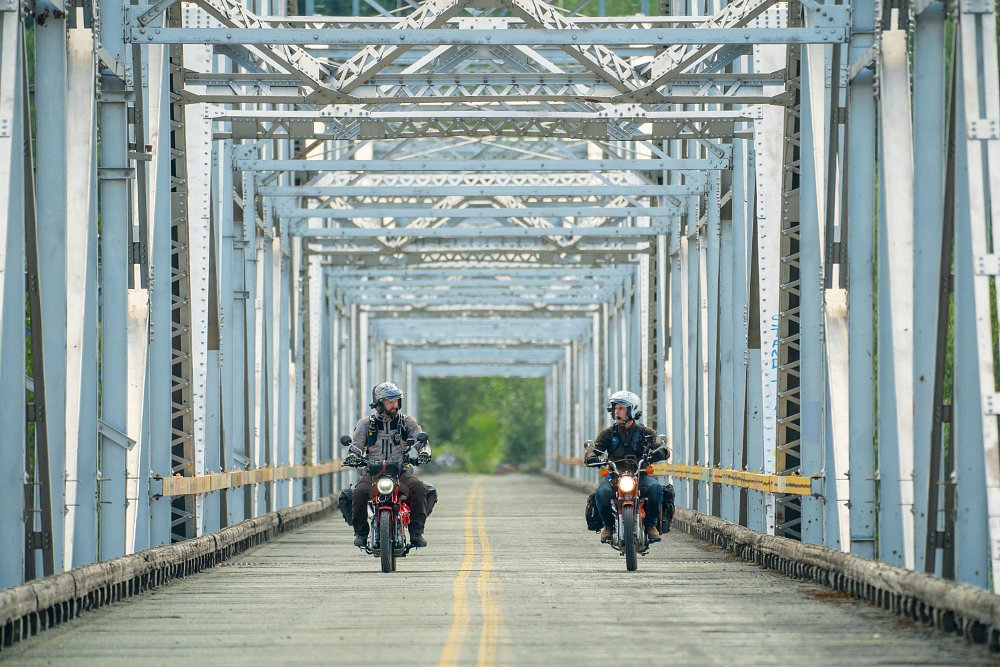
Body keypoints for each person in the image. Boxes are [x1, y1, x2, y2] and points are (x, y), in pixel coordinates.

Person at [346, 382, 432, 548]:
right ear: (379, 404)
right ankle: (361, 534)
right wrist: (352, 457)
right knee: (359, 493)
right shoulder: (365, 424)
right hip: (372, 473)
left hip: (401, 471)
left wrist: (424, 453)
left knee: (419, 488)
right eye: (390, 402)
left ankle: (416, 532)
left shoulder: (407, 422)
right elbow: (355, 446)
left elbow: (423, 442)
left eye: (396, 401)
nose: (394, 405)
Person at [585, 390, 670, 544]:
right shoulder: (607, 434)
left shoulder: (646, 433)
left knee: (656, 489)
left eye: (621, 408)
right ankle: (608, 526)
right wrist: (591, 456)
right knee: (601, 493)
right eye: (615, 408)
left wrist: (660, 452)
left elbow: (661, 447)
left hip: (640, 475)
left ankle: (651, 526)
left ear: (632, 410)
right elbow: (595, 449)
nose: (617, 412)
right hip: (614, 477)